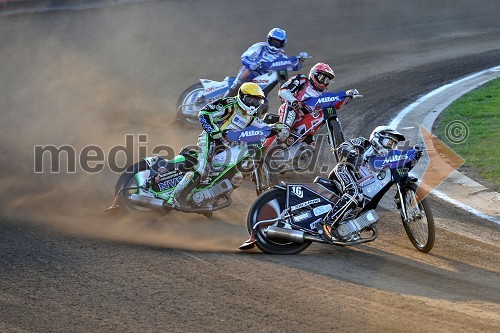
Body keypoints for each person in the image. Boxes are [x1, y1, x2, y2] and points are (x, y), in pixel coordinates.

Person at [165, 82, 285, 208]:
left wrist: (275, 127)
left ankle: (209, 198)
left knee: (233, 174)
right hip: (211, 138)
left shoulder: (251, 116)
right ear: (242, 96)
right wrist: (212, 130)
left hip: (229, 144)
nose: (253, 104)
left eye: (257, 102)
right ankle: (174, 198)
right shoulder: (229, 104)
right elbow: (204, 113)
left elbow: (261, 125)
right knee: (202, 168)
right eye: (250, 100)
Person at [318, 126, 407, 243]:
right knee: (355, 193)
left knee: (360, 199)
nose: (389, 146)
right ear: (377, 137)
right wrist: (350, 152)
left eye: (393, 144)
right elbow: (343, 146)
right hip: (344, 170)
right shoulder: (364, 143)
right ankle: (327, 224)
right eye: (387, 142)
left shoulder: (385, 161)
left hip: (357, 183)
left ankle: (346, 228)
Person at [277, 62, 358, 145]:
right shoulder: (302, 80)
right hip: (293, 110)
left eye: (327, 80)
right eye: (322, 78)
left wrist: (348, 96)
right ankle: (277, 134)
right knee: (284, 132)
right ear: (314, 74)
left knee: (312, 147)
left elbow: (336, 104)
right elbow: (283, 91)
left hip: (306, 120)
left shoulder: (324, 95)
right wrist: (294, 101)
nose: (324, 82)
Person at [224, 28, 305, 101]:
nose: (274, 45)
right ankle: (226, 98)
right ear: (269, 39)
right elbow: (244, 57)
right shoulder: (260, 47)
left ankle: (283, 97)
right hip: (252, 73)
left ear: (282, 43)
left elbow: (291, 67)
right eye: (273, 42)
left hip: (264, 80)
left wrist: (299, 61)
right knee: (245, 75)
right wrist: (253, 64)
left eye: (277, 43)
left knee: (264, 106)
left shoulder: (282, 55)